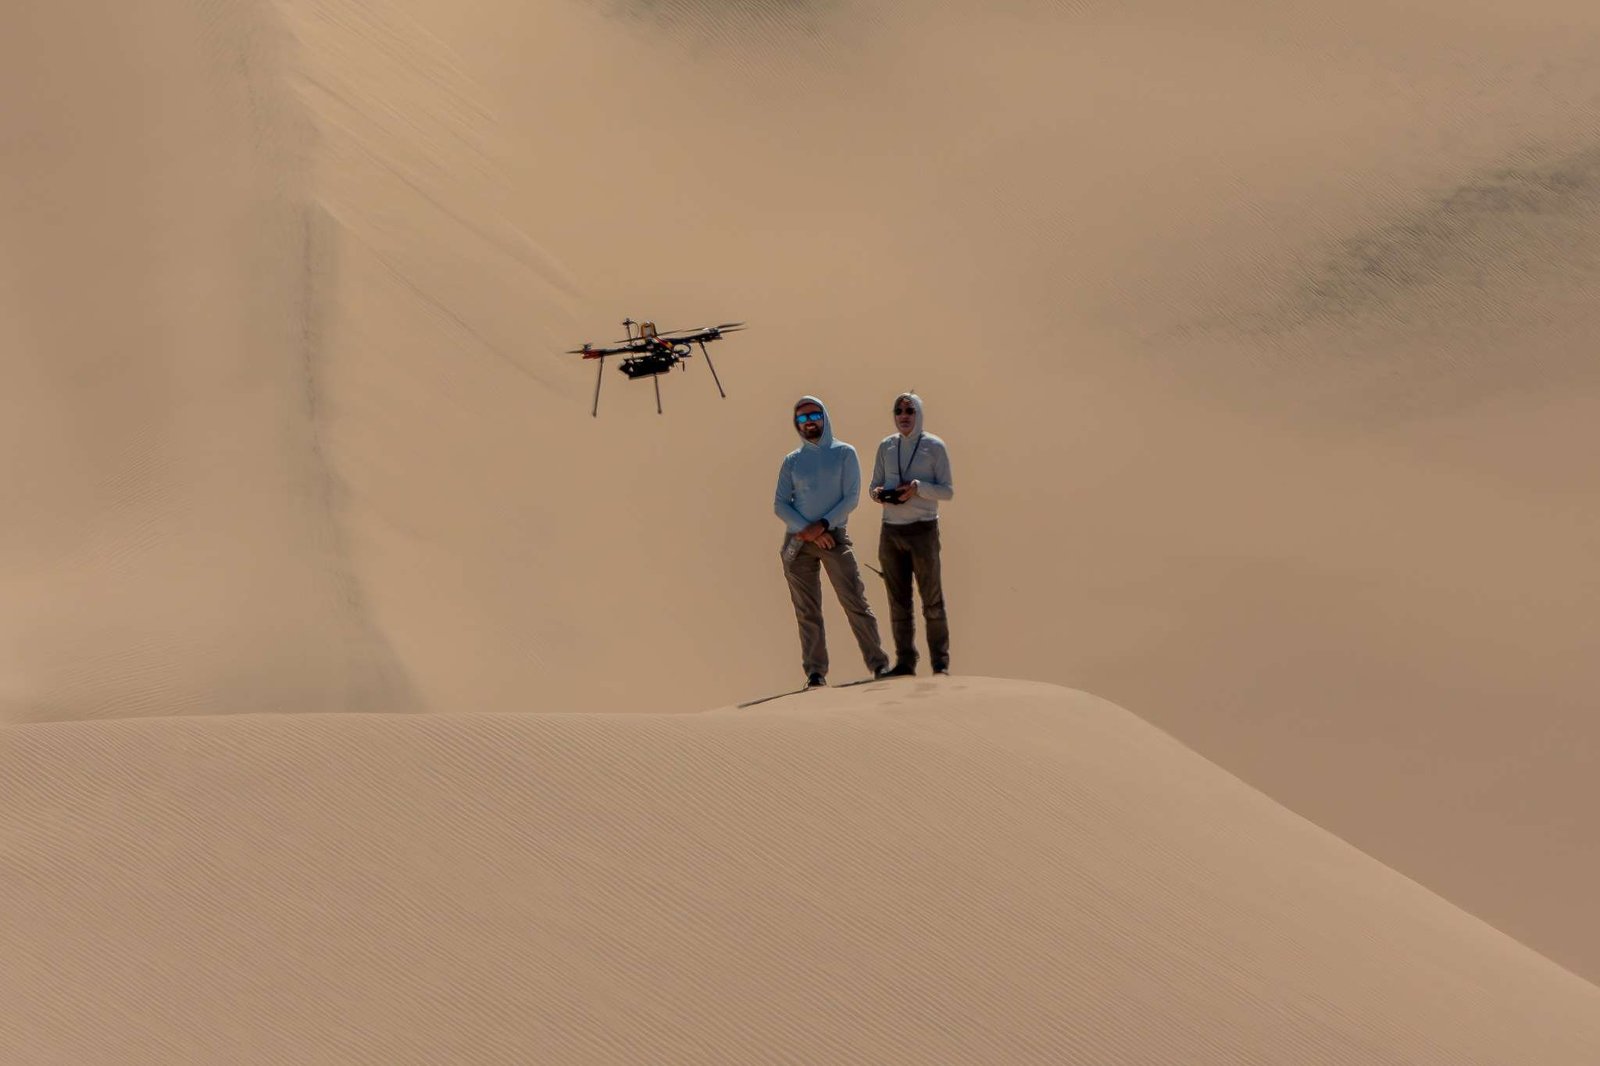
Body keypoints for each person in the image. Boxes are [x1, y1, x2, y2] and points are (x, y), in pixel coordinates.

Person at [775, 396, 892, 688]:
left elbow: (850, 498)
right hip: (798, 541)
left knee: (854, 600)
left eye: (813, 416)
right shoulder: (792, 461)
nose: (808, 423)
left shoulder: (844, 453)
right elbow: (780, 504)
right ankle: (816, 674)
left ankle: (879, 664)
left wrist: (823, 525)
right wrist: (809, 530)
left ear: (824, 417)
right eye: (802, 419)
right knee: (807, 609)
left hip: (834, 537)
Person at [869, 392, 954, 675]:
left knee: (932, 600)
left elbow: (947, 491)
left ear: (919, 414)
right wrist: (880, 494)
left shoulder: (934, 446)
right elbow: (874, 485)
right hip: (890, 531)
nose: (904, 416)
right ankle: (905, 662)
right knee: (898, 601)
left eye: (910, 410)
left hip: (923, 530)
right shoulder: (886, 446)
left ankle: (940, 664)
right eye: (899, 410)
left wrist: (918, 488)